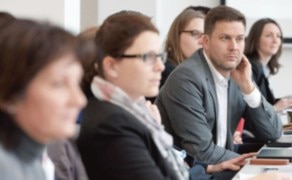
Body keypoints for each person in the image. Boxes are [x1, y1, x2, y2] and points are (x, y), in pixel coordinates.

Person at [76, 10, 259, 180]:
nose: (160, 66)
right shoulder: (112, 124)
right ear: (111, 66)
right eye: (148, 57)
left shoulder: (133, 112)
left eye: (159, 57)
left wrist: (206, 168)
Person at [155, 5, 282, 165]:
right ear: (206, 42)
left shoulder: (236, 75)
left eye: (240, 38)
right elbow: (202, 153)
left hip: (223, 166)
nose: (234, 46)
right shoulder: (187, 78)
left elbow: (272, 133)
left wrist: (248, 87)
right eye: (225, 38)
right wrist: (254, 164)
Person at [0, 19, 86, 180]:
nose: (79, 100)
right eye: (59, 84)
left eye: (77, 83)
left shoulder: (32, 161)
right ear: (10, 93)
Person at [245, 18, 292, 112]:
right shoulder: (250, 67)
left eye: (278, 36)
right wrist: (275, 109)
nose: (275, 41)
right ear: (255, 40)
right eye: (268, 36)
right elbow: (253, 111)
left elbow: (266, 103)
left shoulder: (264, 68)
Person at [161, 8, 205, 88]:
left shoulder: (202, 74)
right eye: (195, 33)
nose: (202, 41)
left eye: (205, 36)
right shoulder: (165, 72)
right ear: (176, 36)